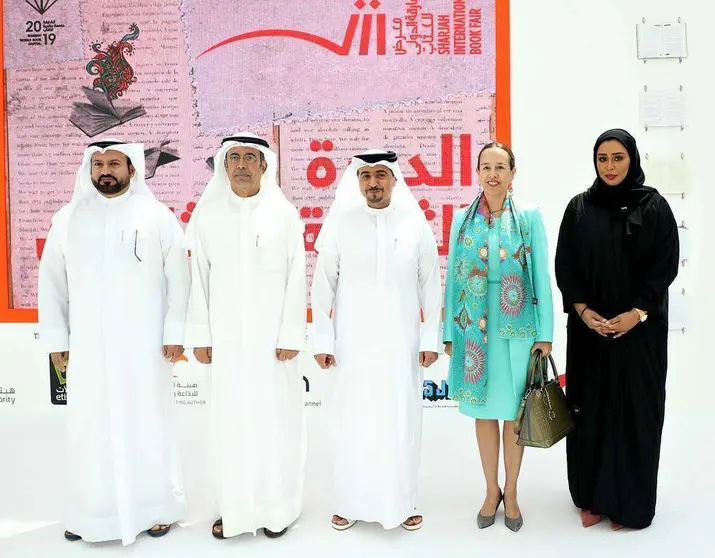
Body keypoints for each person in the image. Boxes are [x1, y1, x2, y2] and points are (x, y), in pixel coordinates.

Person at [38, 139, 190, 545]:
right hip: (88, 347)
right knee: (90, 427)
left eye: (114, 163)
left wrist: (176, 333)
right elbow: (52, 285)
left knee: (149, 422)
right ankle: (90, 512)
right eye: (98, 163)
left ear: (132, 169)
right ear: (89, 170)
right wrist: (57, 340)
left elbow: (180, 280)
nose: (106, 170)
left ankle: (156, 508)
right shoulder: (67, 219)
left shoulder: (158, 217)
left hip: (146, 348)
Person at [184, 134, 307, 540]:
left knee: (276, 424)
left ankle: (277, 508)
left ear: (264, 165)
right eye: (233, 157)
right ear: (223, 164)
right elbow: (197, 279)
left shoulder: (284, 214)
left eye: (249, 158)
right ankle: (231, 509)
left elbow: (296, 279)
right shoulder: (207, 216)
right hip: (226, 345)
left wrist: (291, 332)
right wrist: (201, 334)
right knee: (228, 425)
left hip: (273, 346)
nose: (240, 164)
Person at [555, 128, 679, 530]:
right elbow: (566, 264)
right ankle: (592, 498)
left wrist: (638, 312)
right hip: (590, 334)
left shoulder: (655, 207)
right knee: (589, 413)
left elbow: (665, 264)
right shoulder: (579, 208)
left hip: (639, 335)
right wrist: (583, 310)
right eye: (602, 158)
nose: (609, 166)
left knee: (636, 413)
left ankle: (630, 504)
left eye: (617, 158)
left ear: (633, 159)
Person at [311, 150, 441, 532]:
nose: (373, 183)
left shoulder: (414, 224)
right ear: (358, 181)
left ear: (394, 180)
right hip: (353, 343)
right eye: (366, 176)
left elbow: (431, 285)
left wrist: (429, 338)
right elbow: (323, 287)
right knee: (353, 421)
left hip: (401, 344)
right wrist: (323, 340)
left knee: (401, 422)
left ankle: (402, 502)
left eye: (380, 175)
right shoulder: (340, 224)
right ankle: (349, 502)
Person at [443, 142, 554, 533]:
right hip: (473, 328)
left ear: (512, 173)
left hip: (517, 330)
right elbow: (453, 279)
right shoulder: (461, 219)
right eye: (486, 167)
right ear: (477, 172)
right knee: (484, 412)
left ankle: (513, 490)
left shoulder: (528, 217)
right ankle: (491, 490)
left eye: (500, 167)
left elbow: (542, 275)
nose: (493, 174)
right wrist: (448, 332)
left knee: (514, 415)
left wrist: (546, 334)